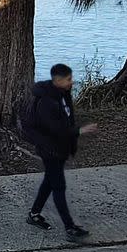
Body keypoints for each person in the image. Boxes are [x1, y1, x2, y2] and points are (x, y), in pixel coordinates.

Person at [24, 63, 98, 240]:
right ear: (57, 80)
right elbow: (55, 129)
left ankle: (34, 214)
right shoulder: (46, 102)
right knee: (58, 186)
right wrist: (80, 131)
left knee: (49, 181)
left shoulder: (62, 94)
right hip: (50, 149)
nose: (71, 82)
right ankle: (70, 227)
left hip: (60, 148)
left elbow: (66, 120)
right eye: (68, 79)